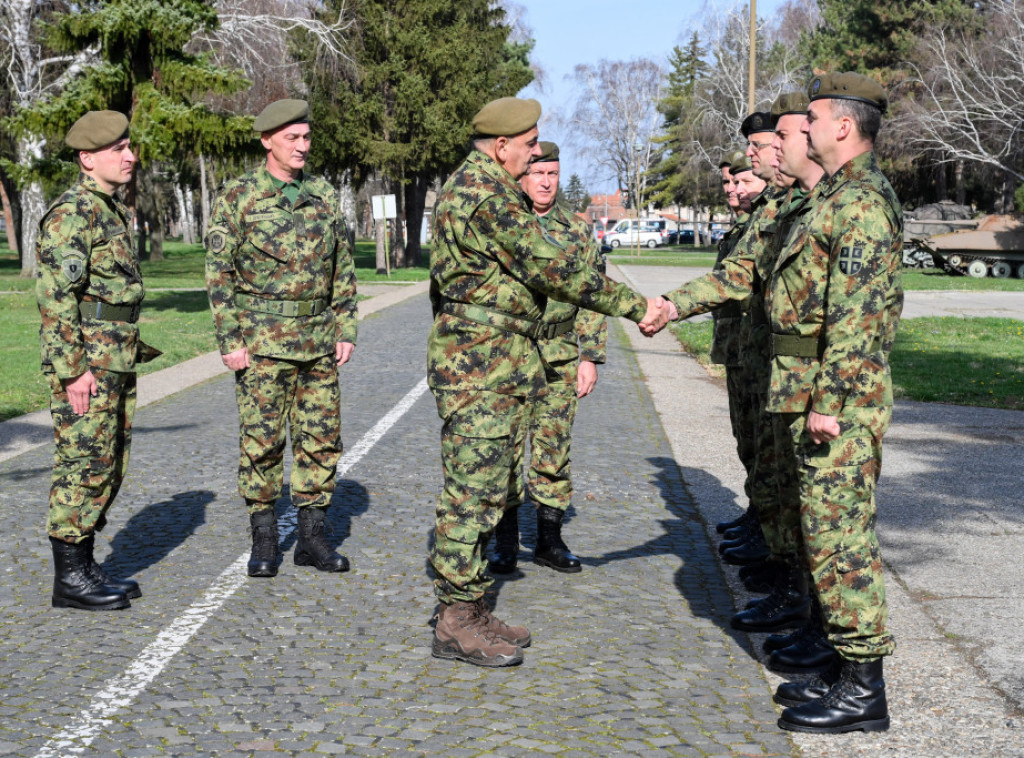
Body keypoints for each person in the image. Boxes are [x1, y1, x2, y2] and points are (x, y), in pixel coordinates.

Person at [428, 97, 672, 668]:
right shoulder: (482, 195)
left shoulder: (485, 188)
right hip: (479, 367)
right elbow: (554, 268)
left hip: (496, 358)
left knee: (487, 487)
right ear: (501, 145)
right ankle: (455, 620)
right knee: (473, 493)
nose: (538, 153)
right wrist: (638, 307)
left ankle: (470, 605)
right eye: (531, 144)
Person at [205, 99, 357, 579]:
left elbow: (343, 268)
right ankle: (265, 538)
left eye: (307, 137)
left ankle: (312, 538)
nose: (303, 147)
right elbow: (219, 274)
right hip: (263, 344)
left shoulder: (324, 195)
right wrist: (231, 338)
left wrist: (346, 327)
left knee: (320, 441)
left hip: (317, 342)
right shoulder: (238, 196)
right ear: (268, 140)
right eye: (293, 138)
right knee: (262, 442)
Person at [37, 110, 159, 610]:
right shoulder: (73, 213)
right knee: (82, 464)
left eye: (129, 147)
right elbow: (55, 297)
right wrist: (72, 372)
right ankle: (69, 580)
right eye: (118, 149)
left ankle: (85, 564)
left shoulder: (107, 208)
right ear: (88, 158)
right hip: (88, 362)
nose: (130, 156)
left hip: (115, 358)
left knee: (108, 463)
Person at [488, 142, 607, 576]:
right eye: (539, 174)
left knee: (553, 449)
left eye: (553, 174)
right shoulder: (505, 224)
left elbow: (592, 295)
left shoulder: (576, 231)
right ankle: (503, 539)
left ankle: (549, 540)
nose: (546, 182)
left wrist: (590, 355)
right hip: (509, 356)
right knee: (503, 447)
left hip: (558, 357)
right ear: (523, 175)